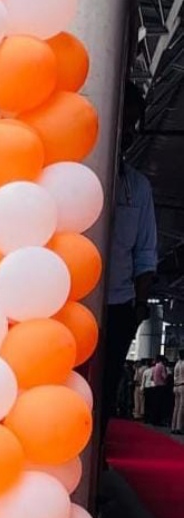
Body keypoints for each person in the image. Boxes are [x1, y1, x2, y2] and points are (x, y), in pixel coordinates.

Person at [103, 83, 158, 431]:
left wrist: (138, 307)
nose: (130, 133)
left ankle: (98, 445)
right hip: (65, 302)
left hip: (118, 306)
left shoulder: (138, 188)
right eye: (127, 121)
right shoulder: (68, 173)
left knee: (107, 388)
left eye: (135, 124)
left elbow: (146, 253)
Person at [173, 353, 184, 434]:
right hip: (182, 386)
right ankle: (179, 427)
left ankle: (173, 426)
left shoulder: (177, 364)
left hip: (176, 386)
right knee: (181, 407)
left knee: (176, 407)